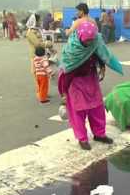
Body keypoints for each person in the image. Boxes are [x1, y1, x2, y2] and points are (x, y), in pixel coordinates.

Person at [58, 20, 123, 151]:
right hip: (75, 83)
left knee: (97, 108)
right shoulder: (72, 50)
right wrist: (64, 92)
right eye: (86, 41)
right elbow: (66, 72)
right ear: (81, 37)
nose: (89, 43)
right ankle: (82, 138)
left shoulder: (95, 41)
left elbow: (102, 53)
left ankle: (99, 134)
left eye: (91, 41)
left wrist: (102, 66)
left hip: (91, 79)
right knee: (79, 111)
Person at [25, 13, 53, 87]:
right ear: (35, 21)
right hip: (35, 55)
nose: (40, 22)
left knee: (43, 74)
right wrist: (47, 44)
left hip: (41, 54)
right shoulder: (30, 32)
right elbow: (37, 44)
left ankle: (43, 93)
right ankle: (41, 94)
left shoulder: (37, 30)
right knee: (37, 75)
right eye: (39, 20)